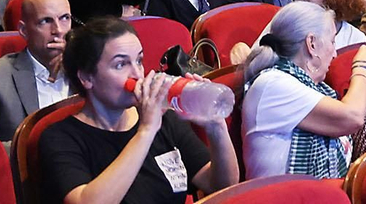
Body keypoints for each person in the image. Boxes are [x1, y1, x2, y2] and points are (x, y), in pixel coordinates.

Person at [40, 16, 238, 203]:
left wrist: (216, 126)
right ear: (86, 77)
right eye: (120, 65)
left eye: (139, 61)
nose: (137, 74)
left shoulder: (165, 119)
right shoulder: (60, 137)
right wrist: (146, 130)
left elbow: (221, 185)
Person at [241, 3, 366, 178]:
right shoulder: (272, 84)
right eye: (332, 42)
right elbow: (353, 116)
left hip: (319, 190)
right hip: (287, 193)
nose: (335, 53)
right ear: (312, 44)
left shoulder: (315, 88)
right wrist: (362, 65)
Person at [0, 0, 73, 144]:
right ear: (24, 30)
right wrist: (43, 148)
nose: (58, 30)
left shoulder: (86, 70)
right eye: (46, 21)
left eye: (65, 18)